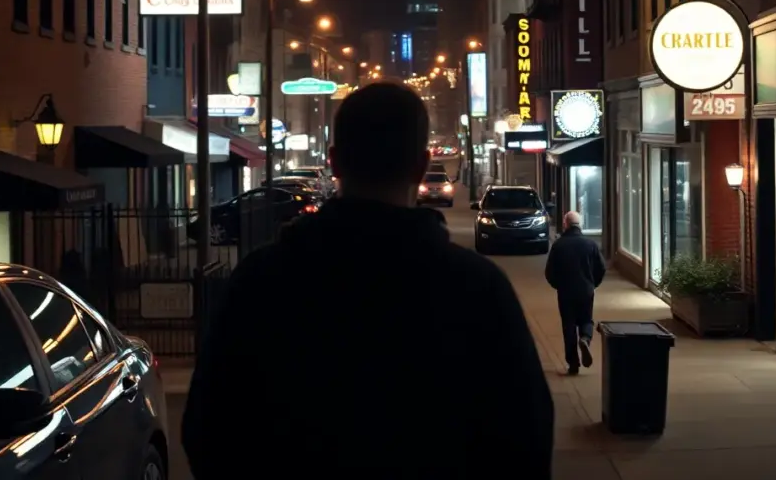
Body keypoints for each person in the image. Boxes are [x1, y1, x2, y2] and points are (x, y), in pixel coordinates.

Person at [182, 82, 554, 479]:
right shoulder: (476, 289)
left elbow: (209, 427)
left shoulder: (261, 281)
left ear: (335, 163)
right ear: (419, 164)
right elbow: (525, 438)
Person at [544, 211, 606, 375]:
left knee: (569, 325)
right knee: (586, 319)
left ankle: (573, 364)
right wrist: (593, 284)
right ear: (580, 225)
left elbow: (549, 271)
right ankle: (585, 338)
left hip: (566, 291)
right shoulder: (590, 244)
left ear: (565, 224)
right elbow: (601, 268)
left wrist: (558, 285)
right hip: (586, 289)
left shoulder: (559, 245)